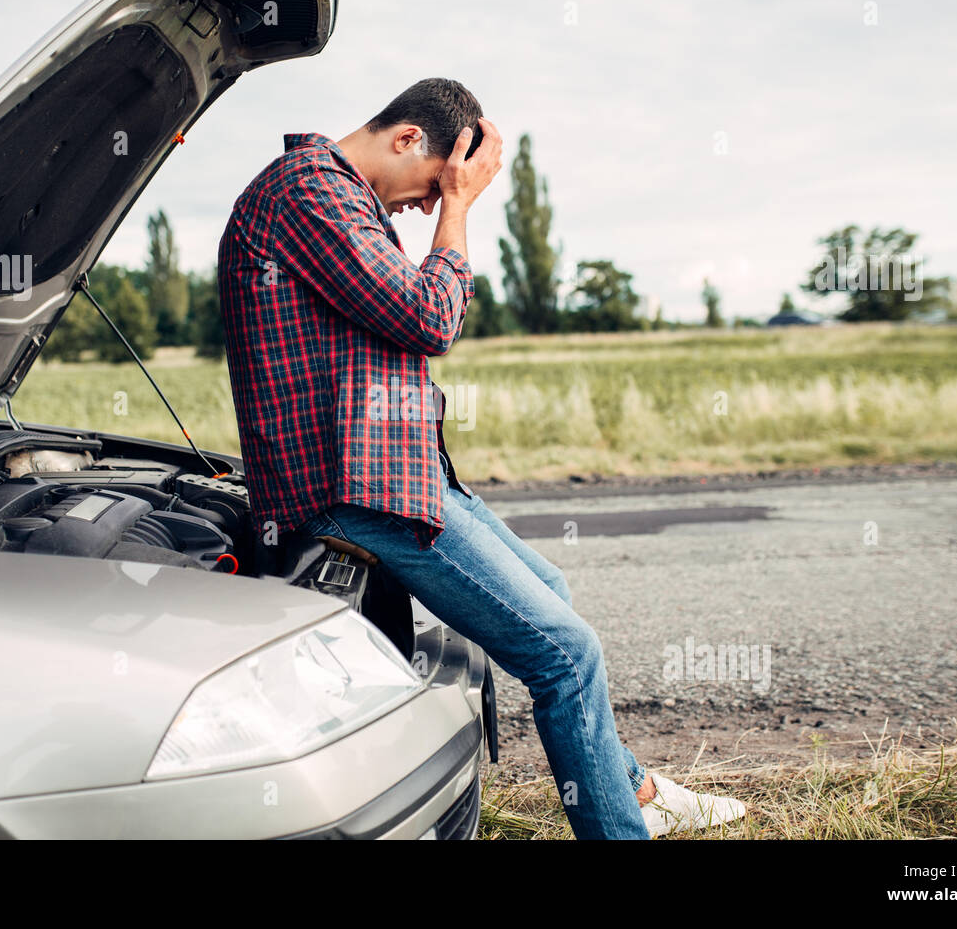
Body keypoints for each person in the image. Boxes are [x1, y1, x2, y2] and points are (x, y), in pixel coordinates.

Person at [216, 77, 746, 839]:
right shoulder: (310, 192)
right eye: (433, 185)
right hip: (355, 490)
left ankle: (637, 794)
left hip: (397, 475)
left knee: (552, 589)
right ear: (406, 138)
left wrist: (450, 198)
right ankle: (620, 824)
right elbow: (428, 315)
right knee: (566, 655)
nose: (429, 208)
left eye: (440, 199)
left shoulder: (332, 196)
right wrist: (461, 210)